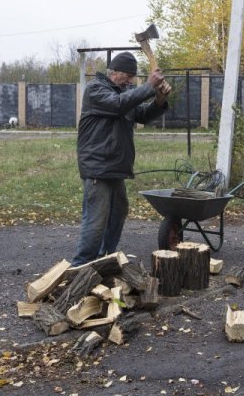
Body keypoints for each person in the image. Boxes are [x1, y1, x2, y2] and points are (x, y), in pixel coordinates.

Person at [72, 51, 171, 267]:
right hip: (98, 167)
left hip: (115, 168)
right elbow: (117, 105)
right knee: (96, 222)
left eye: (133, 77)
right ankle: (79, 268)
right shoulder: (96, 89)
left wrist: (159, 99)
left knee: (118, 214)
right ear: (114, 72)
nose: (130, 81)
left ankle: (105, 259)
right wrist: (148, 86)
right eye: (127, 76)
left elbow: (142, 115)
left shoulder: (124, 93)